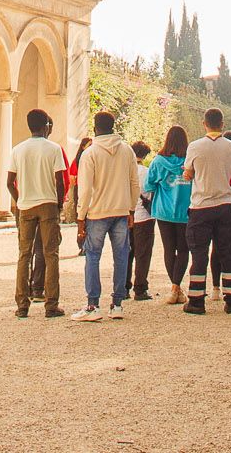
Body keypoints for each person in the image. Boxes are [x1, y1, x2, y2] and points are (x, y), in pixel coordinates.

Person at [70, 111, 139, 321]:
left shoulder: (90, 153)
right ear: (114, 126)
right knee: (121, 256)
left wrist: (81, 215)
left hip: (97, 212)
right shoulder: (127, 151)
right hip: (120, 210)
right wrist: (131, 210)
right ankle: (117, 304)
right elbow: (134, 183)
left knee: (92, 257)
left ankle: (93, 305)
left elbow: (85, 189)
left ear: (95, 128)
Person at [6, 107, 67, 318]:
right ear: (46, 126)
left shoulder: (18, 149)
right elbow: (60, 181)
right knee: (51, 254)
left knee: (24, 255)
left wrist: (20, 198)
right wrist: (58, 204)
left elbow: (9, 183)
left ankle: (22, 305)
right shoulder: (53, 149)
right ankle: (51, 305)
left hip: (25, 205)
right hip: (48, 203)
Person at [182, 108, 231, 313]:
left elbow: (188, 174)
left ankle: (197, 299)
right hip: (225, 204)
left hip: (201, 205)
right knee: (228, 252)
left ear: (204, 123)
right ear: (222, 124)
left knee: (199, 253)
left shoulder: (195, 146)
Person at [144, 126, 192, 306]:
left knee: (168, 249)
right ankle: (176, 286)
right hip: (185, 211)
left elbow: (148, 185)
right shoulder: (189, 161)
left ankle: (175, 288)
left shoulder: (158, 161)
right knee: (184, 249)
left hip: (163, 211)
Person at [127, 140, 157, 300]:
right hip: (144, 217)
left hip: (125, 215)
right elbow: (151, 191)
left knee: (125, 253)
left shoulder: (122, 170)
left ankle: (123, 287)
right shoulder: (147, 172)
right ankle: (140, 288)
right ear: (144, 155)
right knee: (143, 254)